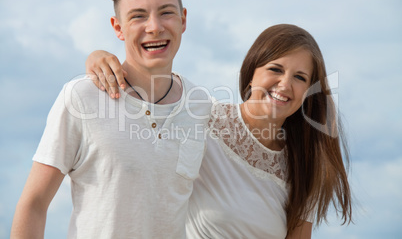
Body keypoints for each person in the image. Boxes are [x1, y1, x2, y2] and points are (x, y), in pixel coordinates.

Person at [86, 24, 353, 238]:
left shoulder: (306, 166)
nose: (284, 84)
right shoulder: (202, 117)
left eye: (300, 77)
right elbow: (144, 96)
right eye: (275, 69)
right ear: (252, 72)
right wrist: (97, 57)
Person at [11, 0, 212, 238]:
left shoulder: (202, 107)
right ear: (118, 28)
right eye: (138, 16)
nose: (154, 26)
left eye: (166, 13)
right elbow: (34, 203)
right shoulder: (82, 96)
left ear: (183, 19)